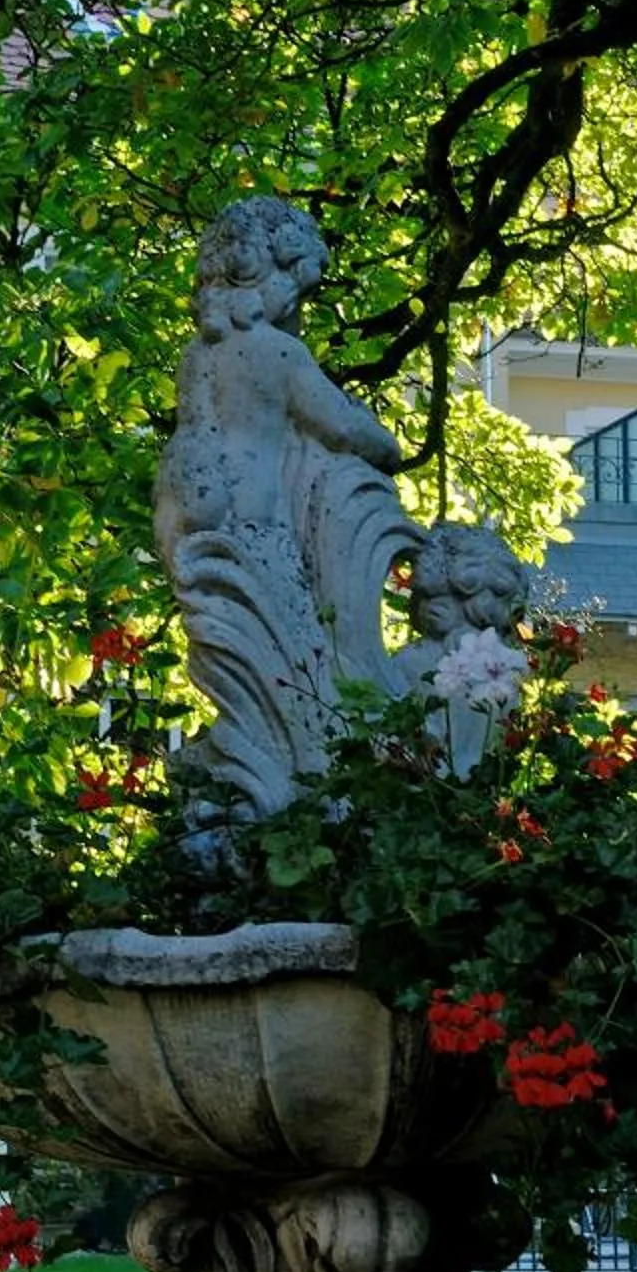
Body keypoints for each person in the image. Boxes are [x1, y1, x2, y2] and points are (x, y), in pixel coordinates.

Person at [158, 199, 420, 821]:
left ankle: (257, 779)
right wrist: (386, 444)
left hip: (194, 522)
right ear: (270, 278)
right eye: (297, 292)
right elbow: (345, 427)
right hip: (260, 533)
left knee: (247, 664)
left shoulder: (198, 354)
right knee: (300, 669)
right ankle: (308, 798)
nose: (298, 310)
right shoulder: (277, 353)